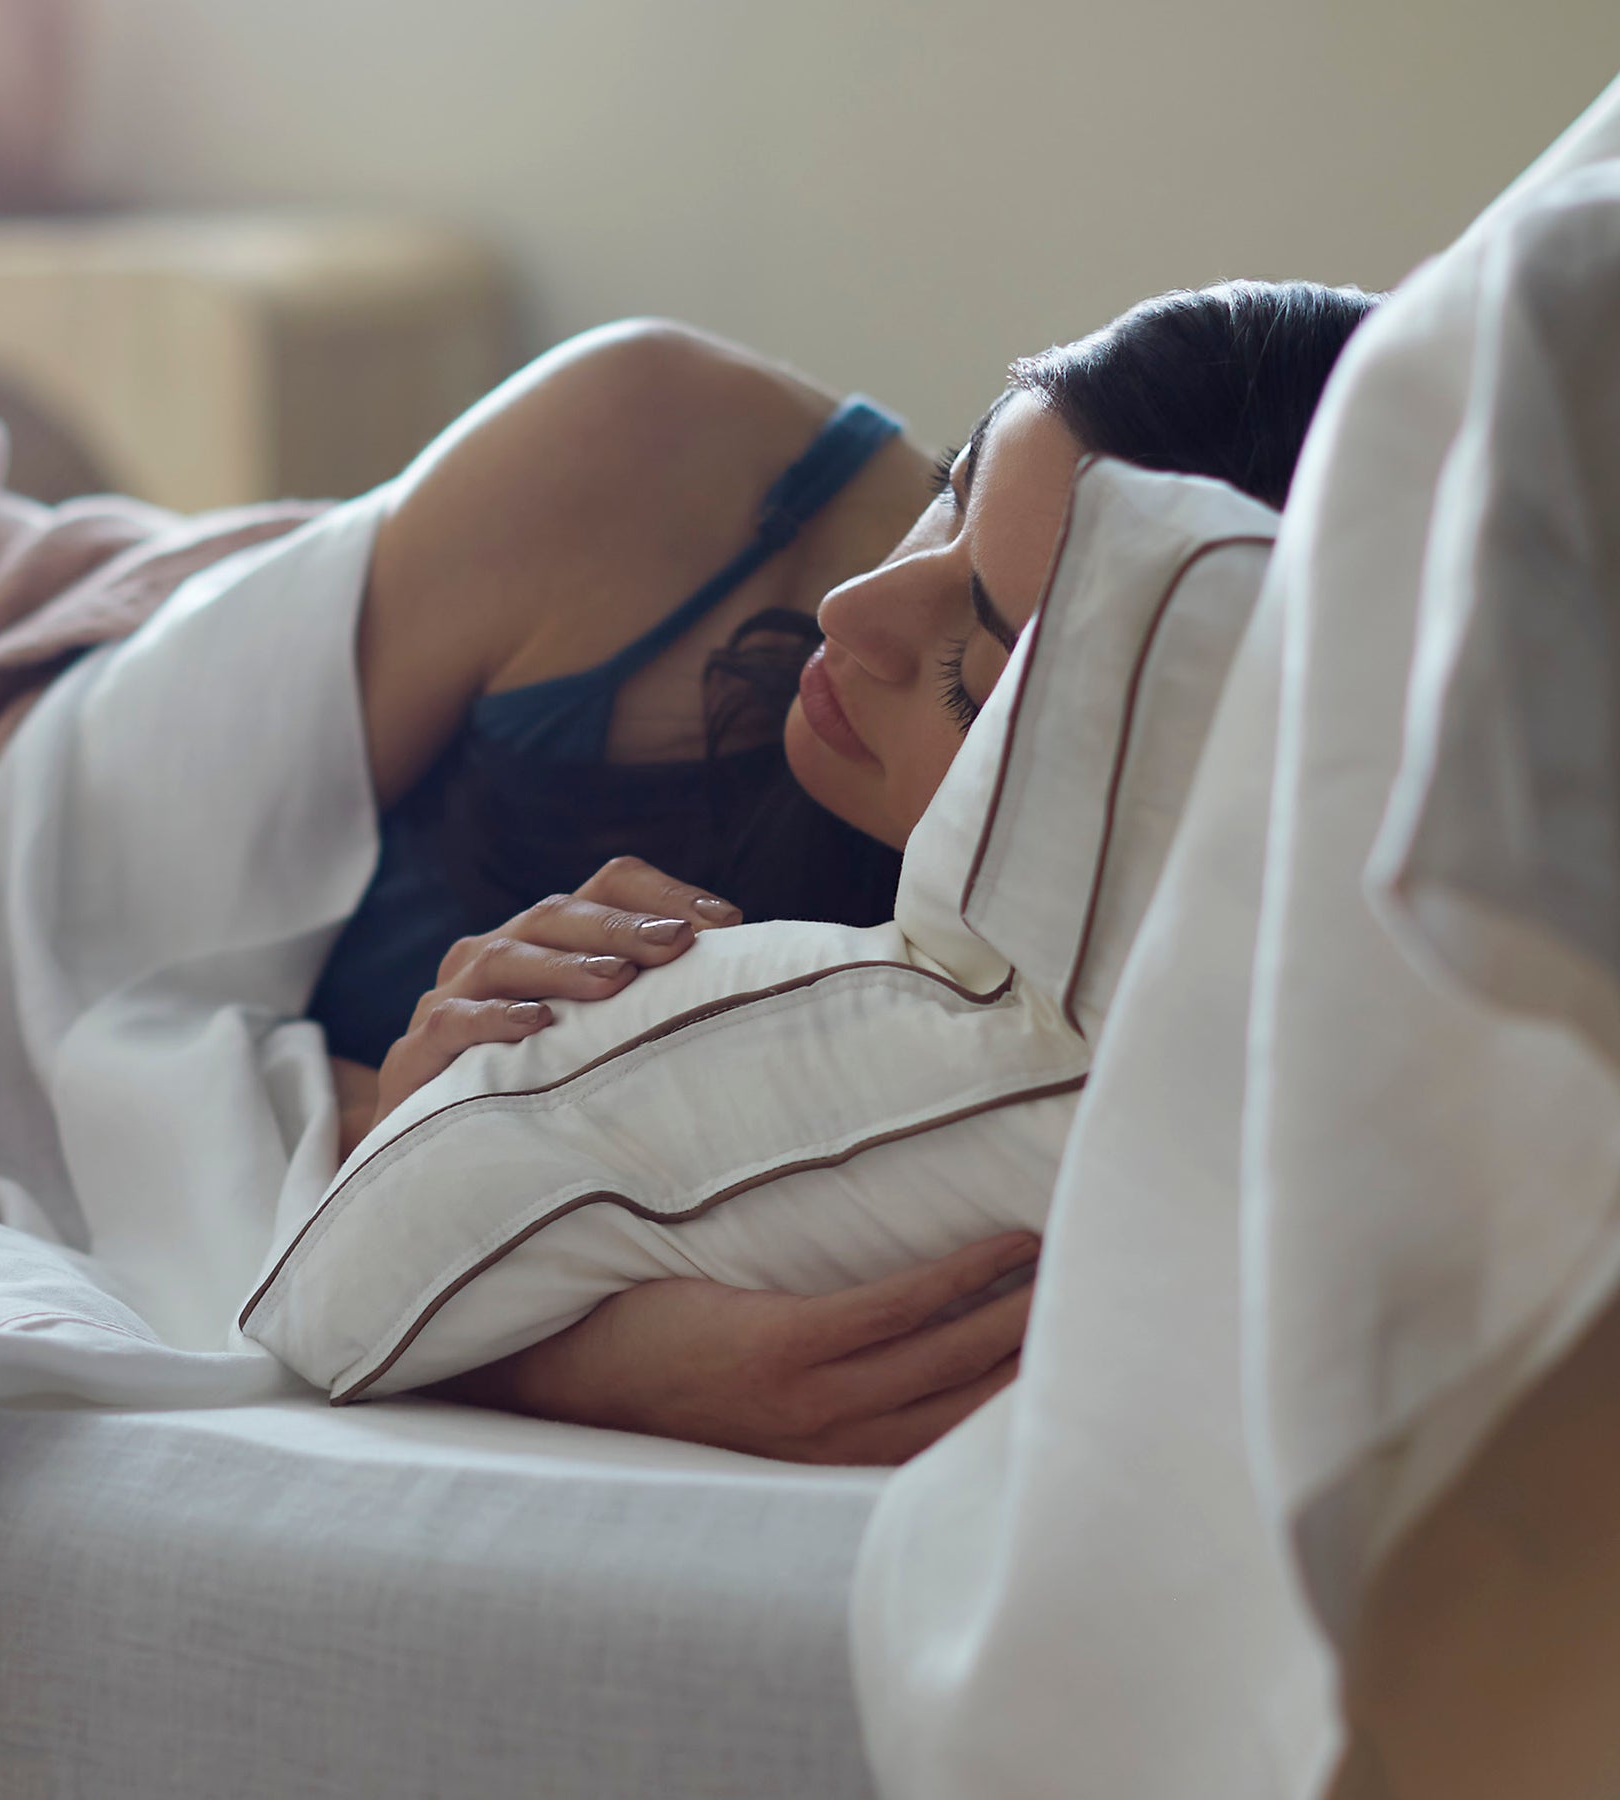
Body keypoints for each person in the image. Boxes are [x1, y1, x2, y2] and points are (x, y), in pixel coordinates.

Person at [299, 278, 1379, 1461]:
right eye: (948, 491)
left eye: (976, 671)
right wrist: (556, 1341)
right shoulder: (654, 451)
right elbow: (108, 939)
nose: (855, 607)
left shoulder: (1032, 1065)